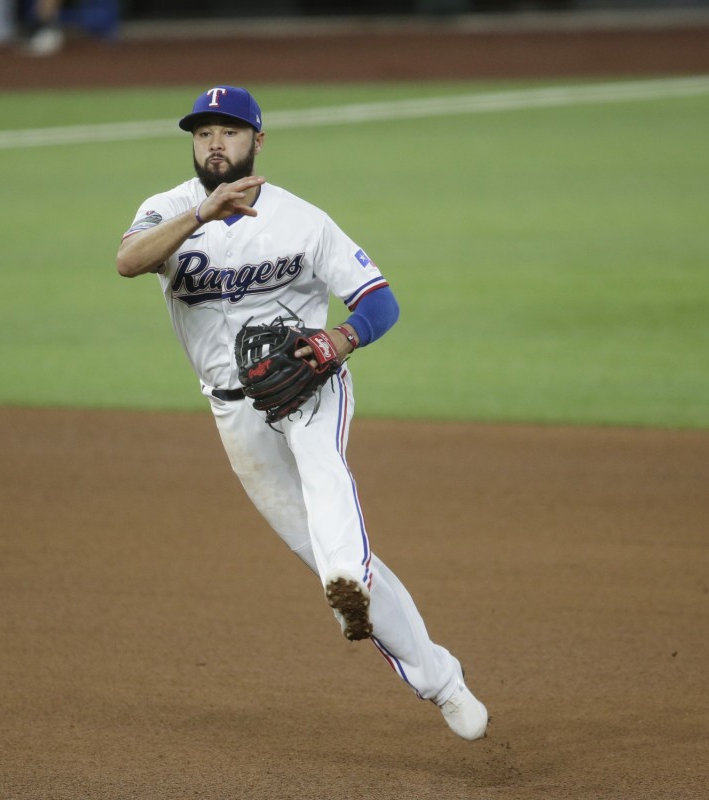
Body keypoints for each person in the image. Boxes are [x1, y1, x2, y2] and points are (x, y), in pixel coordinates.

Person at [115, 86, 489, 740]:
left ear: (258, 141)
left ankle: (347, 581)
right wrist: (200, 215)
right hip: (235, 413)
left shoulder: (304, 222)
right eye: (203, 134)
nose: (214, 144)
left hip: (310, 381)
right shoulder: (166, 209)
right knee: (316, 542)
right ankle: (437, 676)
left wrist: (337, 340)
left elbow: (380, 303)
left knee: (324, 471)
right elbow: (128, 261)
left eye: (229, 132)